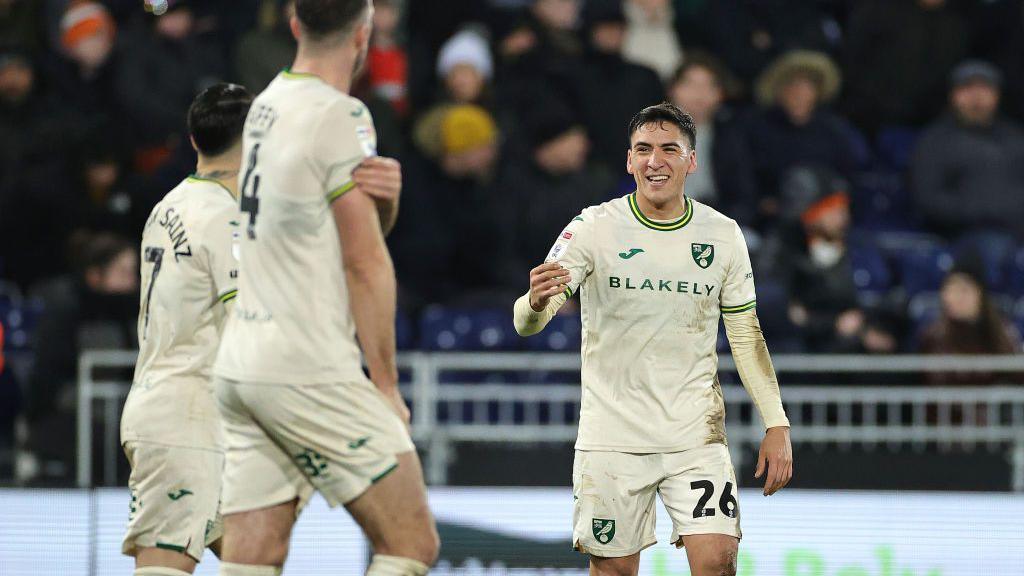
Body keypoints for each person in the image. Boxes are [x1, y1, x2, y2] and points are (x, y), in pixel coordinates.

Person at [513, 103, 792, 576]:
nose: (654, 161)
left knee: (717, 563)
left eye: (669, 149)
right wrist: (536, 303)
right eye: (643, 149)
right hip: (612, 437)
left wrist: (776, 422)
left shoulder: (722, 235)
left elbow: (746, 335)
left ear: (692, 161)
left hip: (695, 435)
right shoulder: (592, 227)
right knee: (614, 572)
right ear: (628, 160)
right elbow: (527, 322)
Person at [212, 1, 438, 575]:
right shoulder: (344, 115)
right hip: (306, 363)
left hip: (243, 365)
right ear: (364, 34)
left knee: (253, 556)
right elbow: (364, 263)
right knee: (411, 543)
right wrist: (384, 384)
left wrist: (380, 203)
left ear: (294, 25)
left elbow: (318, 225)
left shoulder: (265, 105)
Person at [118, 83, 252, 576]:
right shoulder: (226, 220)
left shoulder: (167, 207)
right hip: (186, 421)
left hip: (187, 411)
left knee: (254, 558)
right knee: (166, 566)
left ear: (195, 141)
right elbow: (249, 327)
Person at [910, 60, 1024, 241]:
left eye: (985, 88)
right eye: (968, 88)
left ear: (997, 95)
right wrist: (984, 210)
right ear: (953, 95)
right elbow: (928, 200)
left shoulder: (1016, 138)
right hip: (966, 237)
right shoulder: (935, 141)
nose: (976, 97)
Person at [919, 263, 1022, 385]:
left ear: (980, 294)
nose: (954, 297)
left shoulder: (999, 331)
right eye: (950, 289)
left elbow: (1017, 376)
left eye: (963, 290)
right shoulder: (934, 335)